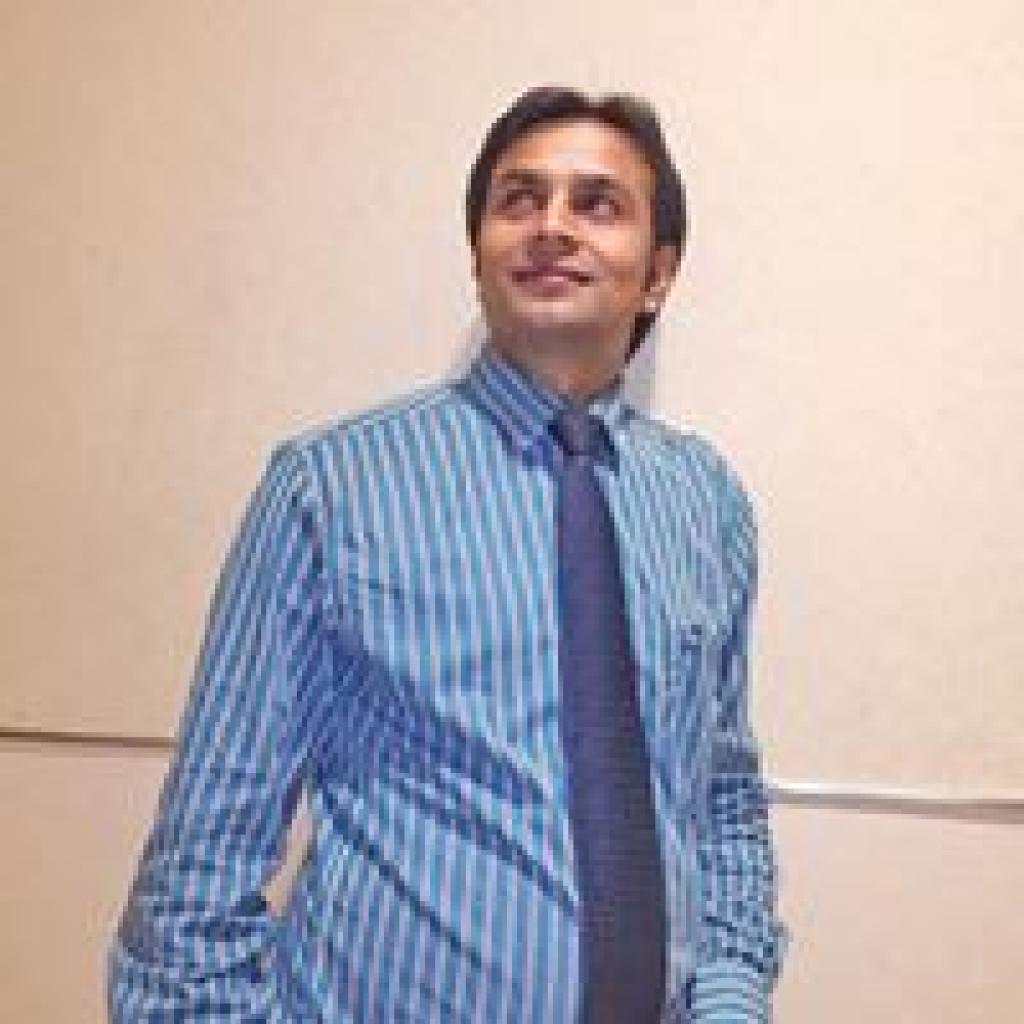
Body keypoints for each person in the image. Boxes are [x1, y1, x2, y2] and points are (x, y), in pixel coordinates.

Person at [109, 86, 786, 1022]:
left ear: (658, 274)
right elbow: (204, 854)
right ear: (478, 255)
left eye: (598, 204)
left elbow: (721, 796)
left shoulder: (706, 502)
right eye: (519, 199)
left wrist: (730, 1004)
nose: (551, 226)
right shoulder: (331, 485)